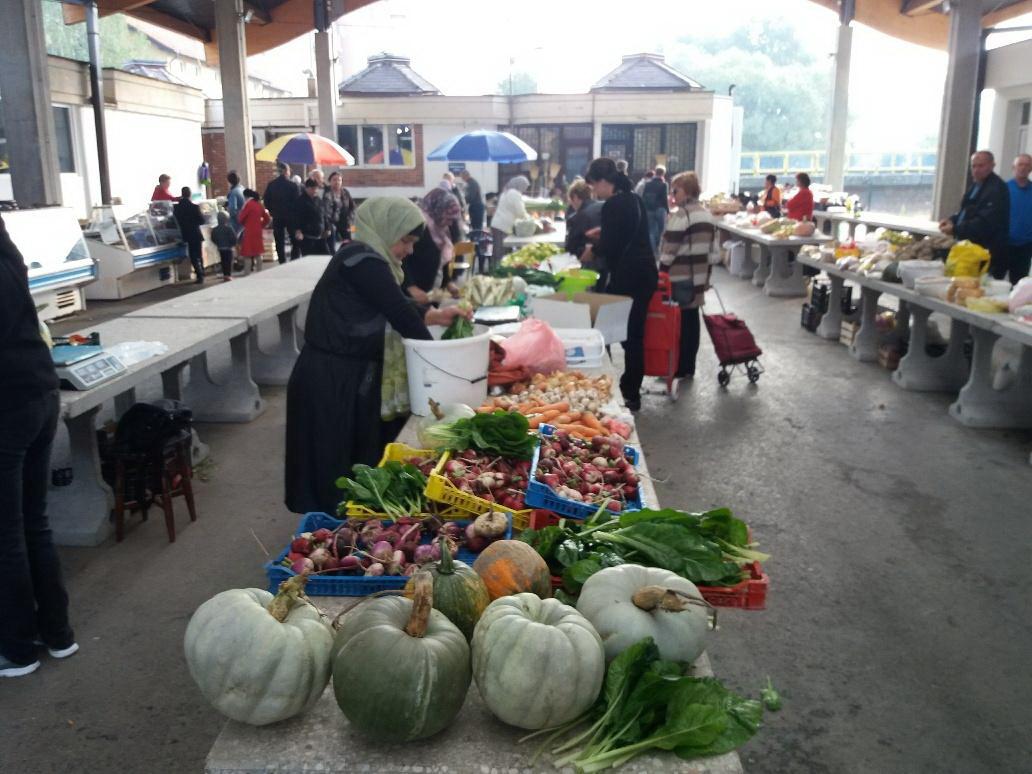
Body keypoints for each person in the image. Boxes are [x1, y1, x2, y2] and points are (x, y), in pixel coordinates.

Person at [284, 197, 472, 514]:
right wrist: (439, 364)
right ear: (386, 230)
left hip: (344, 372)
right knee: (331, 458)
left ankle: (342, 518)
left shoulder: (367, 259)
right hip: (331, 378)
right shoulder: (364, 262)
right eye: (406, 241)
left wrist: (438, 316)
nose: (409, 251)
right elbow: (399, 312)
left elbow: (392, 306)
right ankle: (330, 528)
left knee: (343, 456)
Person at [0, 213, 78, 678]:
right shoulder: (6, 248)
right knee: (35, 522)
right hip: (41, 391)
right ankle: (57, 633)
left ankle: (17, 648)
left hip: (6, 403)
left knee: (6, 534)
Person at [581, 158, 658, 412]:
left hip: (627, 276)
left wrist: (593, 249)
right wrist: (603, 235)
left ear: (603, 181)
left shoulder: (613, 204)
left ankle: (619, 389)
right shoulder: (633, 198)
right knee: (635, 334)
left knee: (611, 333)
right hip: (645, 273)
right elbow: (627, 234)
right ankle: (629, 390)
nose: (594, 192)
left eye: (594, 186)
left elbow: (611, 247)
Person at [658, 172, 718, 379]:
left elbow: (669, 249)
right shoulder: (707, 214)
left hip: (679, 277)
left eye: (676, 190)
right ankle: (688, 367)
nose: (673, 195)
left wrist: (661, 269)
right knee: (692, 322)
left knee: (675, 323)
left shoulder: (682, 215)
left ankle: (675, 366)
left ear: (687, 191)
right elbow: (715, 252)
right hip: (700, 278)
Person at [940, 150, 1011, 280]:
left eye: (981, 166)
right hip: (971, 250)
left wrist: (955, 229)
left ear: (992, 165)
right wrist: (951, 220)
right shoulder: (976, 185)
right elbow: (966, 211)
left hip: (988, 253)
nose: (976, 170)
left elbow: (984, 223)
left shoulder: (996, 189)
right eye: (973, 166)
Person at [405, 188, 462, 304]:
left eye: (453, 220)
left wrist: (448, 283)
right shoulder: (416, 226)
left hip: (433, 291)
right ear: (437, 211)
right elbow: (401, 261)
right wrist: (410, 286)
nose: (451, 223)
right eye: (448, 218)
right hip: (413, 294)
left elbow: (444, 259)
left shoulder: (444, 230)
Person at [490, 176, 530, 270]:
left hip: (497, 224)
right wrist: (529, 219)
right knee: (500, 252)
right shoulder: (514, 194)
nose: (524, 190)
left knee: (498, 250)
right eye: (524, 187)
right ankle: (498, 272)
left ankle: (496, 270)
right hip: (503, 226)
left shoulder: (506, 192)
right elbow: (520, 212)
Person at [263, 162, 300, 263]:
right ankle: (294, 259)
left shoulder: (271, 185)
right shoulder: (293, 186)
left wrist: (272, 211)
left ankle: (282, 261)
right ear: (285, 171)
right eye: (289, 171)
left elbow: (266, 201)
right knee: (295, 240)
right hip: (291, 217)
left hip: (277, 216)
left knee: (279, 241)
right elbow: (298, 203)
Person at [1006, 153, 1032, 282]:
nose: (1023, 168)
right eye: (1020, 164)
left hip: (1025, 246)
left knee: (1019, 283)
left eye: (1027, 165)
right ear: (1013, 167)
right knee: (997, 281)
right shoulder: (1003, 189)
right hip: (1004, 243)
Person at [173, 187, 206, 284]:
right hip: (196, 233)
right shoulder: (194, 207)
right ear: (190, 194)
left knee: (192, 255)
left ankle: (198, 273)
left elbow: (175, 221)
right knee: (199, 254)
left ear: (182, 194)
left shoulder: (177, 208)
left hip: (186, 233)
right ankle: (202, 273)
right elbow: (202, 221)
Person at [565, 179, 604, 261]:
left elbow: (570, 249)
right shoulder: (604, 206)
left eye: (570, 200)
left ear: (575, 197)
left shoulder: (577, 217)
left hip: (588, 266)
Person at [292, 178, 329, 257]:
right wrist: (298, 231)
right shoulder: (300, 201)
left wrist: (327, 228)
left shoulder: (319, 200)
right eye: (312, 189)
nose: (315, 191)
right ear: (306, 188)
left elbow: (324, 215)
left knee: (326, 258)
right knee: (310, 260)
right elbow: (296, 217)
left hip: (321, 237)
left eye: (316, 188)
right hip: (307, 237)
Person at [237, 189, 270, 273]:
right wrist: (261, 225)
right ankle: (259, 272)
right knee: (258, 253)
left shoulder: (247, 205)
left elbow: (240, 219)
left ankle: (247, 273)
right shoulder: (259, 204)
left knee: (247, 254)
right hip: (258, 231)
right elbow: (267, 219)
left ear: (245, 196)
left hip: (249, 232)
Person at [643, 166, 670, 254]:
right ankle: (658, 248)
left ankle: (653, 252)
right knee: (661, 230)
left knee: (651, 230)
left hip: (649, 209)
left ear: (655, 172)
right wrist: (668, 210)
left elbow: (644, 197)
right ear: (663, 174)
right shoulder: (664, 184)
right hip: (660, 209)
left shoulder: (648, 184)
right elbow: (665, 199)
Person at [322, 171, 349, 254]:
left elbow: (351, 207)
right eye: (334, 180)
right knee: (331, 243)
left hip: (344, 221)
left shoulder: (345, 192)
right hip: (332, 222)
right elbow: (326, 212)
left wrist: (350, 220)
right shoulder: (327, 194)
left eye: (339, 180)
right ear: (330, 181)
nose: (337, 182)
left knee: (349, 240)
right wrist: (328, 227)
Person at [210, 211, 237, 282]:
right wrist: (232, 245)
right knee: (229, 261)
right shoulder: (229, 228)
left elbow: (213, 238)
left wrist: (217, 243)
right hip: (228, 248)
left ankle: (225, 275)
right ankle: (228, 275)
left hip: (220, 248)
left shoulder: (215, 229)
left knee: (223, 261)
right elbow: (234, 238)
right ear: (226, 219)